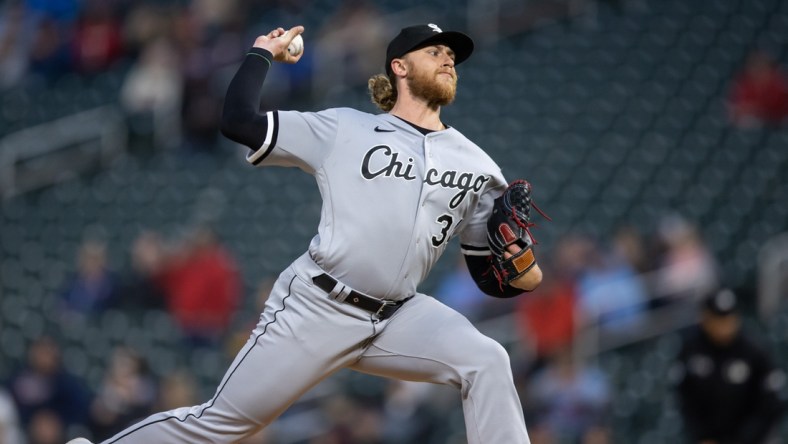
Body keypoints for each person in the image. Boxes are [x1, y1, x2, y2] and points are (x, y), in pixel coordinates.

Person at [67, 22, 544, 444]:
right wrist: (260, 55)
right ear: (399, 66)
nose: (447, 58)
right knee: (220, 425)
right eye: (434, 50)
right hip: (319, 306)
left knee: (486, 359)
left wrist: (522, 262)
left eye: (451, 54)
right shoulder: (344, 128)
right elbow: (238, 122)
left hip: (399, 315)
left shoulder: (477, 164)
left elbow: (490, 276)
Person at [670, 288, 786, 443]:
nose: (725, 326)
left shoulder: (754, 350)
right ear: (705, 318)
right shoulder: (692, 349)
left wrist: (744, 439)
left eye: (729, 319)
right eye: (719, 319)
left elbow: (771, 403)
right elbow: (685, 399)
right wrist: (702, 435)